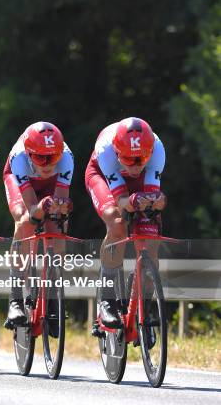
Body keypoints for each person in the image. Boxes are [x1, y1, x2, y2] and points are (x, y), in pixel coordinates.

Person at [85, 117, 166, 328]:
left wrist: (156, 202)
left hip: (138, 183)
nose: (136, 166)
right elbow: (122, 201)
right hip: (102, 176)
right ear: (119, 152)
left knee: (151, 232)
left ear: (149, 152)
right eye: (129, 159)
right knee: (117, 223)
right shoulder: (106, 150)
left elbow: (151, 196)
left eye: (142, 159)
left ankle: (143, 305)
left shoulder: (157, 148)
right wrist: (131, 201)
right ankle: (107, 299)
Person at [2, 122, 74, 328]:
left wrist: (59, 210)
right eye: (40, 157)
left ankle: (52, 296)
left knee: (58, 224)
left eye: (52, 157)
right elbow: (33, 209)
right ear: (29, 153)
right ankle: (15, 298)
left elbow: (60, 202)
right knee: (25, 220)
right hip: (22, 185)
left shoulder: (67, 158)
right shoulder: (19, 158)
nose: (46, 163)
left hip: (50, 186)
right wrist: (39, 210)